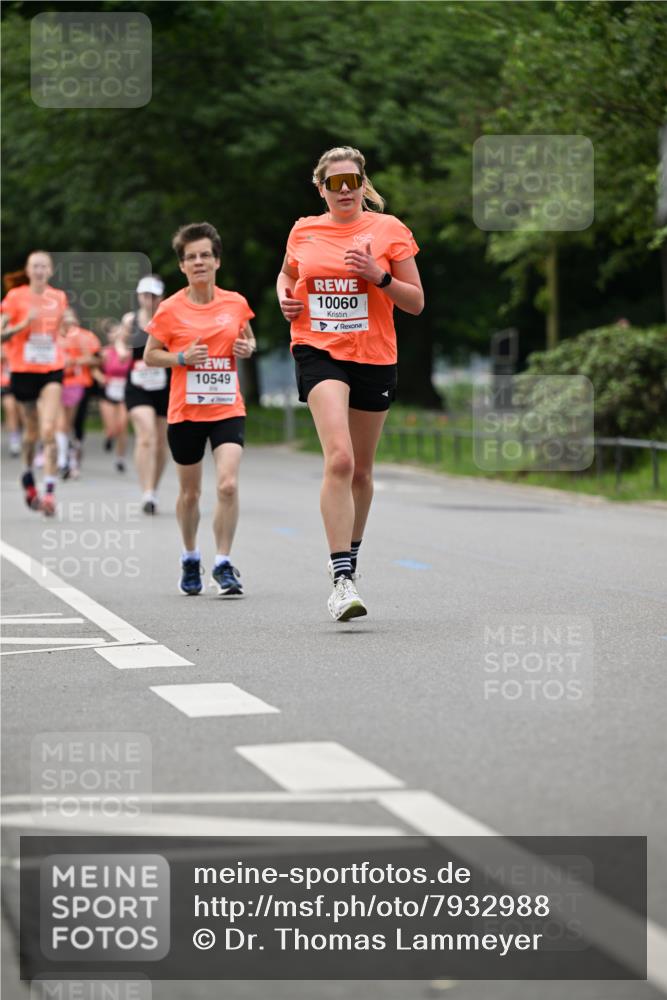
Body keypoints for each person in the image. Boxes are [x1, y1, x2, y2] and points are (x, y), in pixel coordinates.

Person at [276, 146, 424, 621]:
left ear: (364, 184)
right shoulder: (304, 229)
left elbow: (416, 302)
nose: (344, 190)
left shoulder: (389, 230)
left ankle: (349, 556)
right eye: (334, 183)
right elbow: (286, 276)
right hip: (318, 350)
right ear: (320, 188)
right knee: (338, 458)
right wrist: (285, 300)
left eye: (352, 182)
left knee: (361, 471)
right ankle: (342, 579)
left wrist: (378, 276)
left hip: (374, 355)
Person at [144, 221, 255, 597]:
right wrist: (180, 357)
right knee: (190, 494)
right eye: (191, 257)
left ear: (216, 261)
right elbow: (150, 355)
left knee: (227, 484)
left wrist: (246, 349)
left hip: (226, 407)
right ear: (182, 266)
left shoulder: (235, 303)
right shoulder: (170, 309)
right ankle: (191, 556)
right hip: (186, 412)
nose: (199, 262)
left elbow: (248, 339)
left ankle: (223, 563)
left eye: (205, 255)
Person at [1, 250, 69, 515]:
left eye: (44, 266)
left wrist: (66, 328)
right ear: (28, 271)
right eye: (35, 266)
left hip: (51, 369)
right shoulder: (15, 297)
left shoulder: (58, 297)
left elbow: (62, 328)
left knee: (49, 430)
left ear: (50, 270)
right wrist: (22, 326)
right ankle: (28, 474)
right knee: (31, 434)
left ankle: (50, 492)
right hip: (23, 371)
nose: (40, 270)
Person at [119, 275, 169, 514]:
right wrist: (121, 350)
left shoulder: (170, 318)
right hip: (137, 386)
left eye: (154, 295)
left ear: (161, 297)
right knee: (146, 435)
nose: (149, 300)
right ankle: (146, 491)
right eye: (145, 295)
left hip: (164, 386)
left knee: (160, 442)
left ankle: (154, 489)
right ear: (139, 296)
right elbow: (120, 345)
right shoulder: (130, 320)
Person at [57, 309, 101, 478]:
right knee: (60, 423)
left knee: (75, 424)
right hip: (55, 383)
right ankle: (63, 461)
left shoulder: (86, 336)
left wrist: (77, 361)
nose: (69, 323)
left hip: (79, 384)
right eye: (65, 319)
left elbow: (98, 358)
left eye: (71, 319)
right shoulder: (52, 336)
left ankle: (73, 458)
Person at [96, 318, 131, 472]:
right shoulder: (104, 353)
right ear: (109, 336)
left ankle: (120, 458)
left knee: (122, 425)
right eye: (112, 334)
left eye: (118, 333)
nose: (116, 336)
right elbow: (93, 368)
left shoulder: (128, 352)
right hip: (108, 391)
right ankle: (109, 436)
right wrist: (100, 377)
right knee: (112, 428)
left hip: (125, 391)